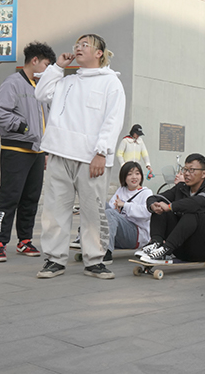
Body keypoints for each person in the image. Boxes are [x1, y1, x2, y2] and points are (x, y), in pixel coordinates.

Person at [34, 33, 125, 280]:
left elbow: (113, 120)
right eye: (78, 44)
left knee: (93, 212)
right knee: (54, 210)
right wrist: (56, 67)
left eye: (86, 45)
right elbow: (41, 95)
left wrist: (101, 152)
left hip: (91, 159)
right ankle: (54, 259)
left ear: (99, 53)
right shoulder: (66, 81)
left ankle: (94, 260)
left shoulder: (111, 82)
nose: (79, 47)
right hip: (59, 153)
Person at [0, 42, 56, 262]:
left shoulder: (39, 87)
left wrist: (44, 151)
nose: (47, 70)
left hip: (37, 153)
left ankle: (24, 241)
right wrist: (24, 127)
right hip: (15, 149)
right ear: (34, 60)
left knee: (31, 199)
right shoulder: (13, 83)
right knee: (10, 197)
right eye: (46, 64)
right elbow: (0, 113)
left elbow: (46, 121)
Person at [137, 153, 205, 263]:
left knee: (192, 212)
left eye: (191, 170)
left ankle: (165, 249)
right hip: (180, 247)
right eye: (185, 169)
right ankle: (155, 243)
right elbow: (155, 197)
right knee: (160, 206)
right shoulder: (181, 187)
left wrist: (170, 206)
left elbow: (196, 203)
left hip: (203, 248)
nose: (186, 174)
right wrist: (154, 205)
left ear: (203, 173)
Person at [100, 161, 153, 264]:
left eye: (137, 173)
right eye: (130, 174)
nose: (134, 177)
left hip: (136, 235)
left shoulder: (146, 193)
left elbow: (147, 213)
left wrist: (124, 206)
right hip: (120, 233)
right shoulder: (121, 190)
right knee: (100, 203)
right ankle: (83, 238)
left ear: (141, 176)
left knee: (110, 213)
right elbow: (110, 209)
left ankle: (107, 252)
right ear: (124, 177)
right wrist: (117, 208)